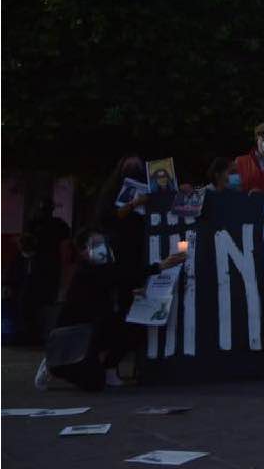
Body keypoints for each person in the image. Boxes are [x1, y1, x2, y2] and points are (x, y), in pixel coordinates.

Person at [35, 230, 185, 391]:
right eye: (96, 244)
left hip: (96, 328)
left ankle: (109, 368)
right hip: (75, 335)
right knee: (93, 383)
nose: (103, 248)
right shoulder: (86, 271)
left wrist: (133, 292)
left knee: (133, 328)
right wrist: (159, 266)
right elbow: (118, 276)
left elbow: (111, 283)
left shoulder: (103, 269)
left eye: (103, 243)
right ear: (83, 250)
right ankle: (54, 364)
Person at [96, 156, 152, 315]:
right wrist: (133, 204)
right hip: (120, 252)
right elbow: (107, 217)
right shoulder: (111, 191)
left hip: (144, 250)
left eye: (137, 167)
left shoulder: (148, 189)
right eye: (130, 167)